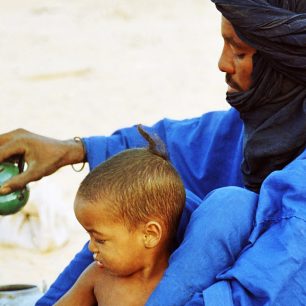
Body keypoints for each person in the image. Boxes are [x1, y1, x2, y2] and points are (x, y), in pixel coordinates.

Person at [0, 0, 305, 305]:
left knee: (229, 209)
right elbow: (185, 143)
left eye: (238, 51)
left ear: (285, 60)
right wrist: (71, 150)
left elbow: (264, 284)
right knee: (128, 208)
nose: (223, 64)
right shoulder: (263, 124)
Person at [54, 126, 186, 306]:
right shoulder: (97, 277)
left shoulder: (182, 287)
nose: (91, 247)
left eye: (100, 239)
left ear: (150, 234)